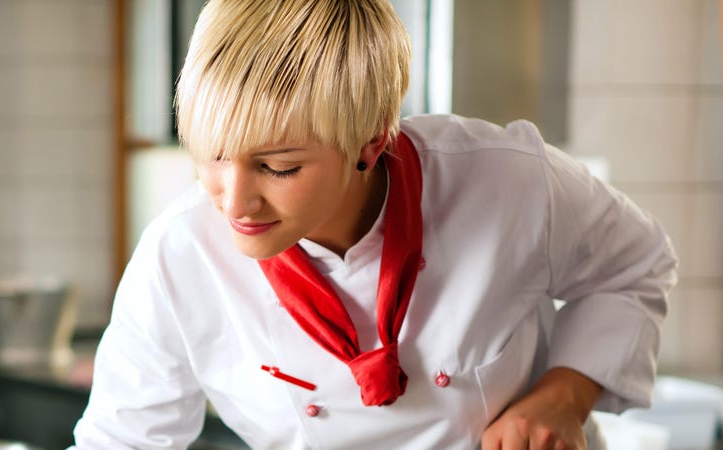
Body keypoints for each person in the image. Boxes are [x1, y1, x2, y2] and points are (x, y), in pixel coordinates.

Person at [72, 0, 678, 448]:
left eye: (277, 167)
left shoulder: (509, 183)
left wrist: (564, 396)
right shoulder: (180, 254)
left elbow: (637, 267)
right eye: (211, 157)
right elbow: (121, 439)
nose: (234, 204)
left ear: (370, 144)